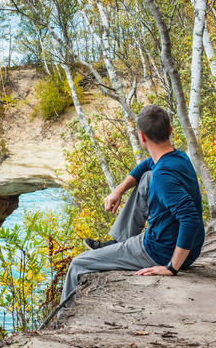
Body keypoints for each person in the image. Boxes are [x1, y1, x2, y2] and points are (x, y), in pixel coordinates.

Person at [59, 105, 205, 310]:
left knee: (78, 264)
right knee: (146, 177)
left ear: (141, 137)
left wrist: (172, 268)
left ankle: (63, 322)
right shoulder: (178, 158)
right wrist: (118, 191)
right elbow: (146, 164)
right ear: (170, 131)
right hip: (188, 248)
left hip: (158, 252)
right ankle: (118, 241)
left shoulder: (163, 176)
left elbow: (190, 218)